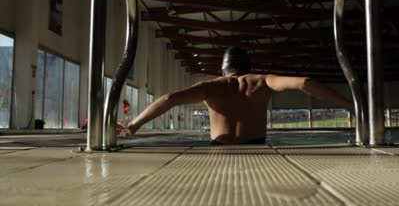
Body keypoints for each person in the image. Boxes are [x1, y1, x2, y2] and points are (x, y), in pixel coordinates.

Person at [118, 47, 353, 145]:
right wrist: (352, 106)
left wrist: (134, 125)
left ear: (223, 69)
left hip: (218, 149)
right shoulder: (262, 81)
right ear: (249, 67)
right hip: (258, 148)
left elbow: (169, 99)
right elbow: (305, 82)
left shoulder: (211, 86)